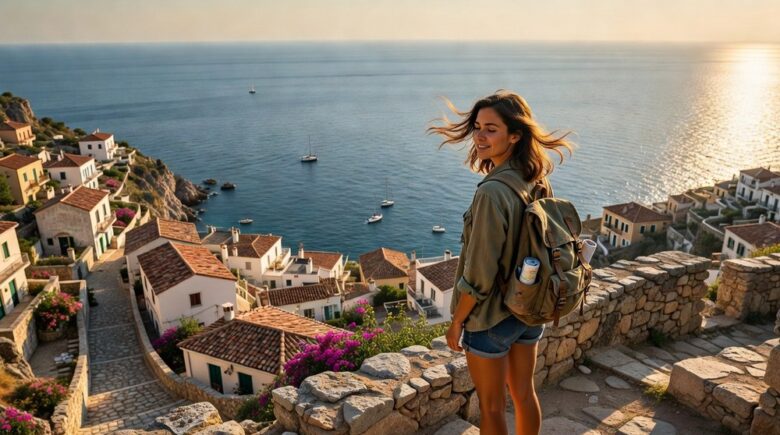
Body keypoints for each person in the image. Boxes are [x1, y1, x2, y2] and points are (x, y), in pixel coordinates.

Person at [428, 90, 573, 435]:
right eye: (477, 127)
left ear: (515, 134)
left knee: (491, 408)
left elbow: (479, 275)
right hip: (527, 308)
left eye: (491, 129)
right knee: (524, 394)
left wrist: (456, 322)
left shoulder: (492, 193)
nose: (479, 136)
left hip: (491, 318)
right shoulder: (537, 179)